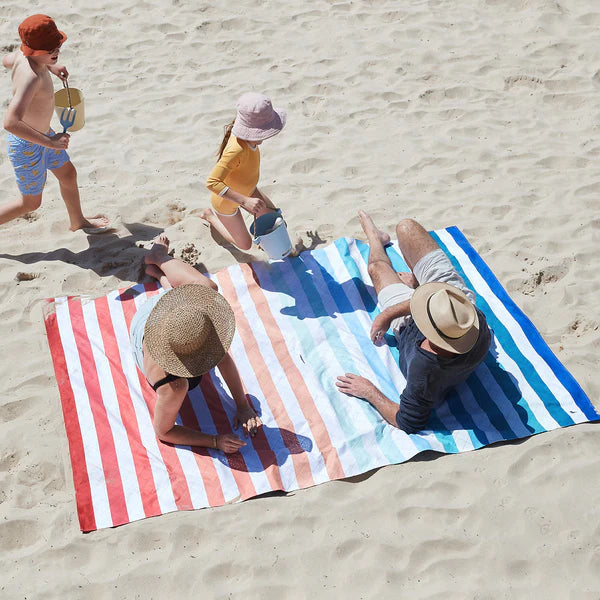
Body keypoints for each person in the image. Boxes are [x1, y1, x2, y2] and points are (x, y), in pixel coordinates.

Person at [336, 211, 492, 434]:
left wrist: (369, 391)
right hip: (453, 298)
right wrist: (393, 311)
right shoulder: (469, 320)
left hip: (415, 320)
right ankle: (417, 284)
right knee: (406, 228)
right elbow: (445, 304)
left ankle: (375, 238)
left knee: (377, 269)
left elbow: (407, 422)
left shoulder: (424, 371)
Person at [130, 234, 262, 453]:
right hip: (144, 325)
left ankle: (160, 261)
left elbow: (224, 360)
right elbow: (163, 432)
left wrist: (242, 405)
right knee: (202, 289)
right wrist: (214, 441)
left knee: (207, 288)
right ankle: (162, 274)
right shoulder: (174, 384)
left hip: (163, 315)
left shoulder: (192, 326)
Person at [1, 15, 109, 233]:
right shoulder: (32, 79)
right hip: (27, 145)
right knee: (30, 203)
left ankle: (77, 221)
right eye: (50, 51)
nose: (56, 52)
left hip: (44, 135)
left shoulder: (23, 56)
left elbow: (6, 60)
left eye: (57, 47)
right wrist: (49, 141)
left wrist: (51, 65)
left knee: (68, 174)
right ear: (35, 52)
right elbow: (11, 122)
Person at [201, 92, 286, 250]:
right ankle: (210, 217)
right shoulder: (236, 150)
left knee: (275, 219)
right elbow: (212, 182)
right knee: (245, 245)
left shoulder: (250, 141)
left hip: (249, 189)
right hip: (226, 201)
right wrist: (245, 201)